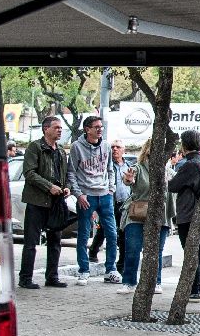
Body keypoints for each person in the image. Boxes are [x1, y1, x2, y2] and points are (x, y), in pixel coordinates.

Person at [17, 116, 71, 289]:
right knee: (31, 242)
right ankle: (25, 278)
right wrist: (49, 187)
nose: (60, 130)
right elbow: (29, 173)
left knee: (55, 241)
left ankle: (52, 277)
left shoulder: (61, 151)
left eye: (60, 128)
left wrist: (66, 187)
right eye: (56, 127)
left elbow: (66, 174)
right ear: (45, 129)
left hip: (56, 203)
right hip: (37, 201)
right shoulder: (35, 147)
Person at [68, 115, 121, 286]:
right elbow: (71, 173)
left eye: (101, 127)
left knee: (112, 233)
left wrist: (111, 188)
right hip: (86, 195)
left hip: (104, 194)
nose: (100, 129)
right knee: (84, 234)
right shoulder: (77, 147)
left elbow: (110, 169)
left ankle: (111, 269)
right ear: (87, 129)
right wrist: (78, 194)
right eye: (96, 126)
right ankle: (84, 270)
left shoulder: (105, 146)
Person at [168, 129, 200, 302]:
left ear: (184, 145)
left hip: (190, 212)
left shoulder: (191, 164)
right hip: (198, 212)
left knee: (192, 251)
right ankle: (197, 288)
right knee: (197, 250)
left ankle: (195, 288)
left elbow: (173, 185)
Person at [118, 142, 161, 290]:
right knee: (132, 248)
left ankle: (156, 282)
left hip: (158, 215)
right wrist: (128, 179)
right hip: (137, 213)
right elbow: (129, 179)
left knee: (156, 251)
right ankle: (129, 282)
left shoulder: (165, 169)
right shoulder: (138, 168)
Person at [89, 140, 130, 273]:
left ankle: (121, 263)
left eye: (118, 147)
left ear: (124, 150)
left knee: (123, 234)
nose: (115, 149)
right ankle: (93, 251)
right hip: (109, 203)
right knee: (104, 230)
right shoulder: (107, 165)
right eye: (113, 147)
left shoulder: (128, 166)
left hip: (124, 205)